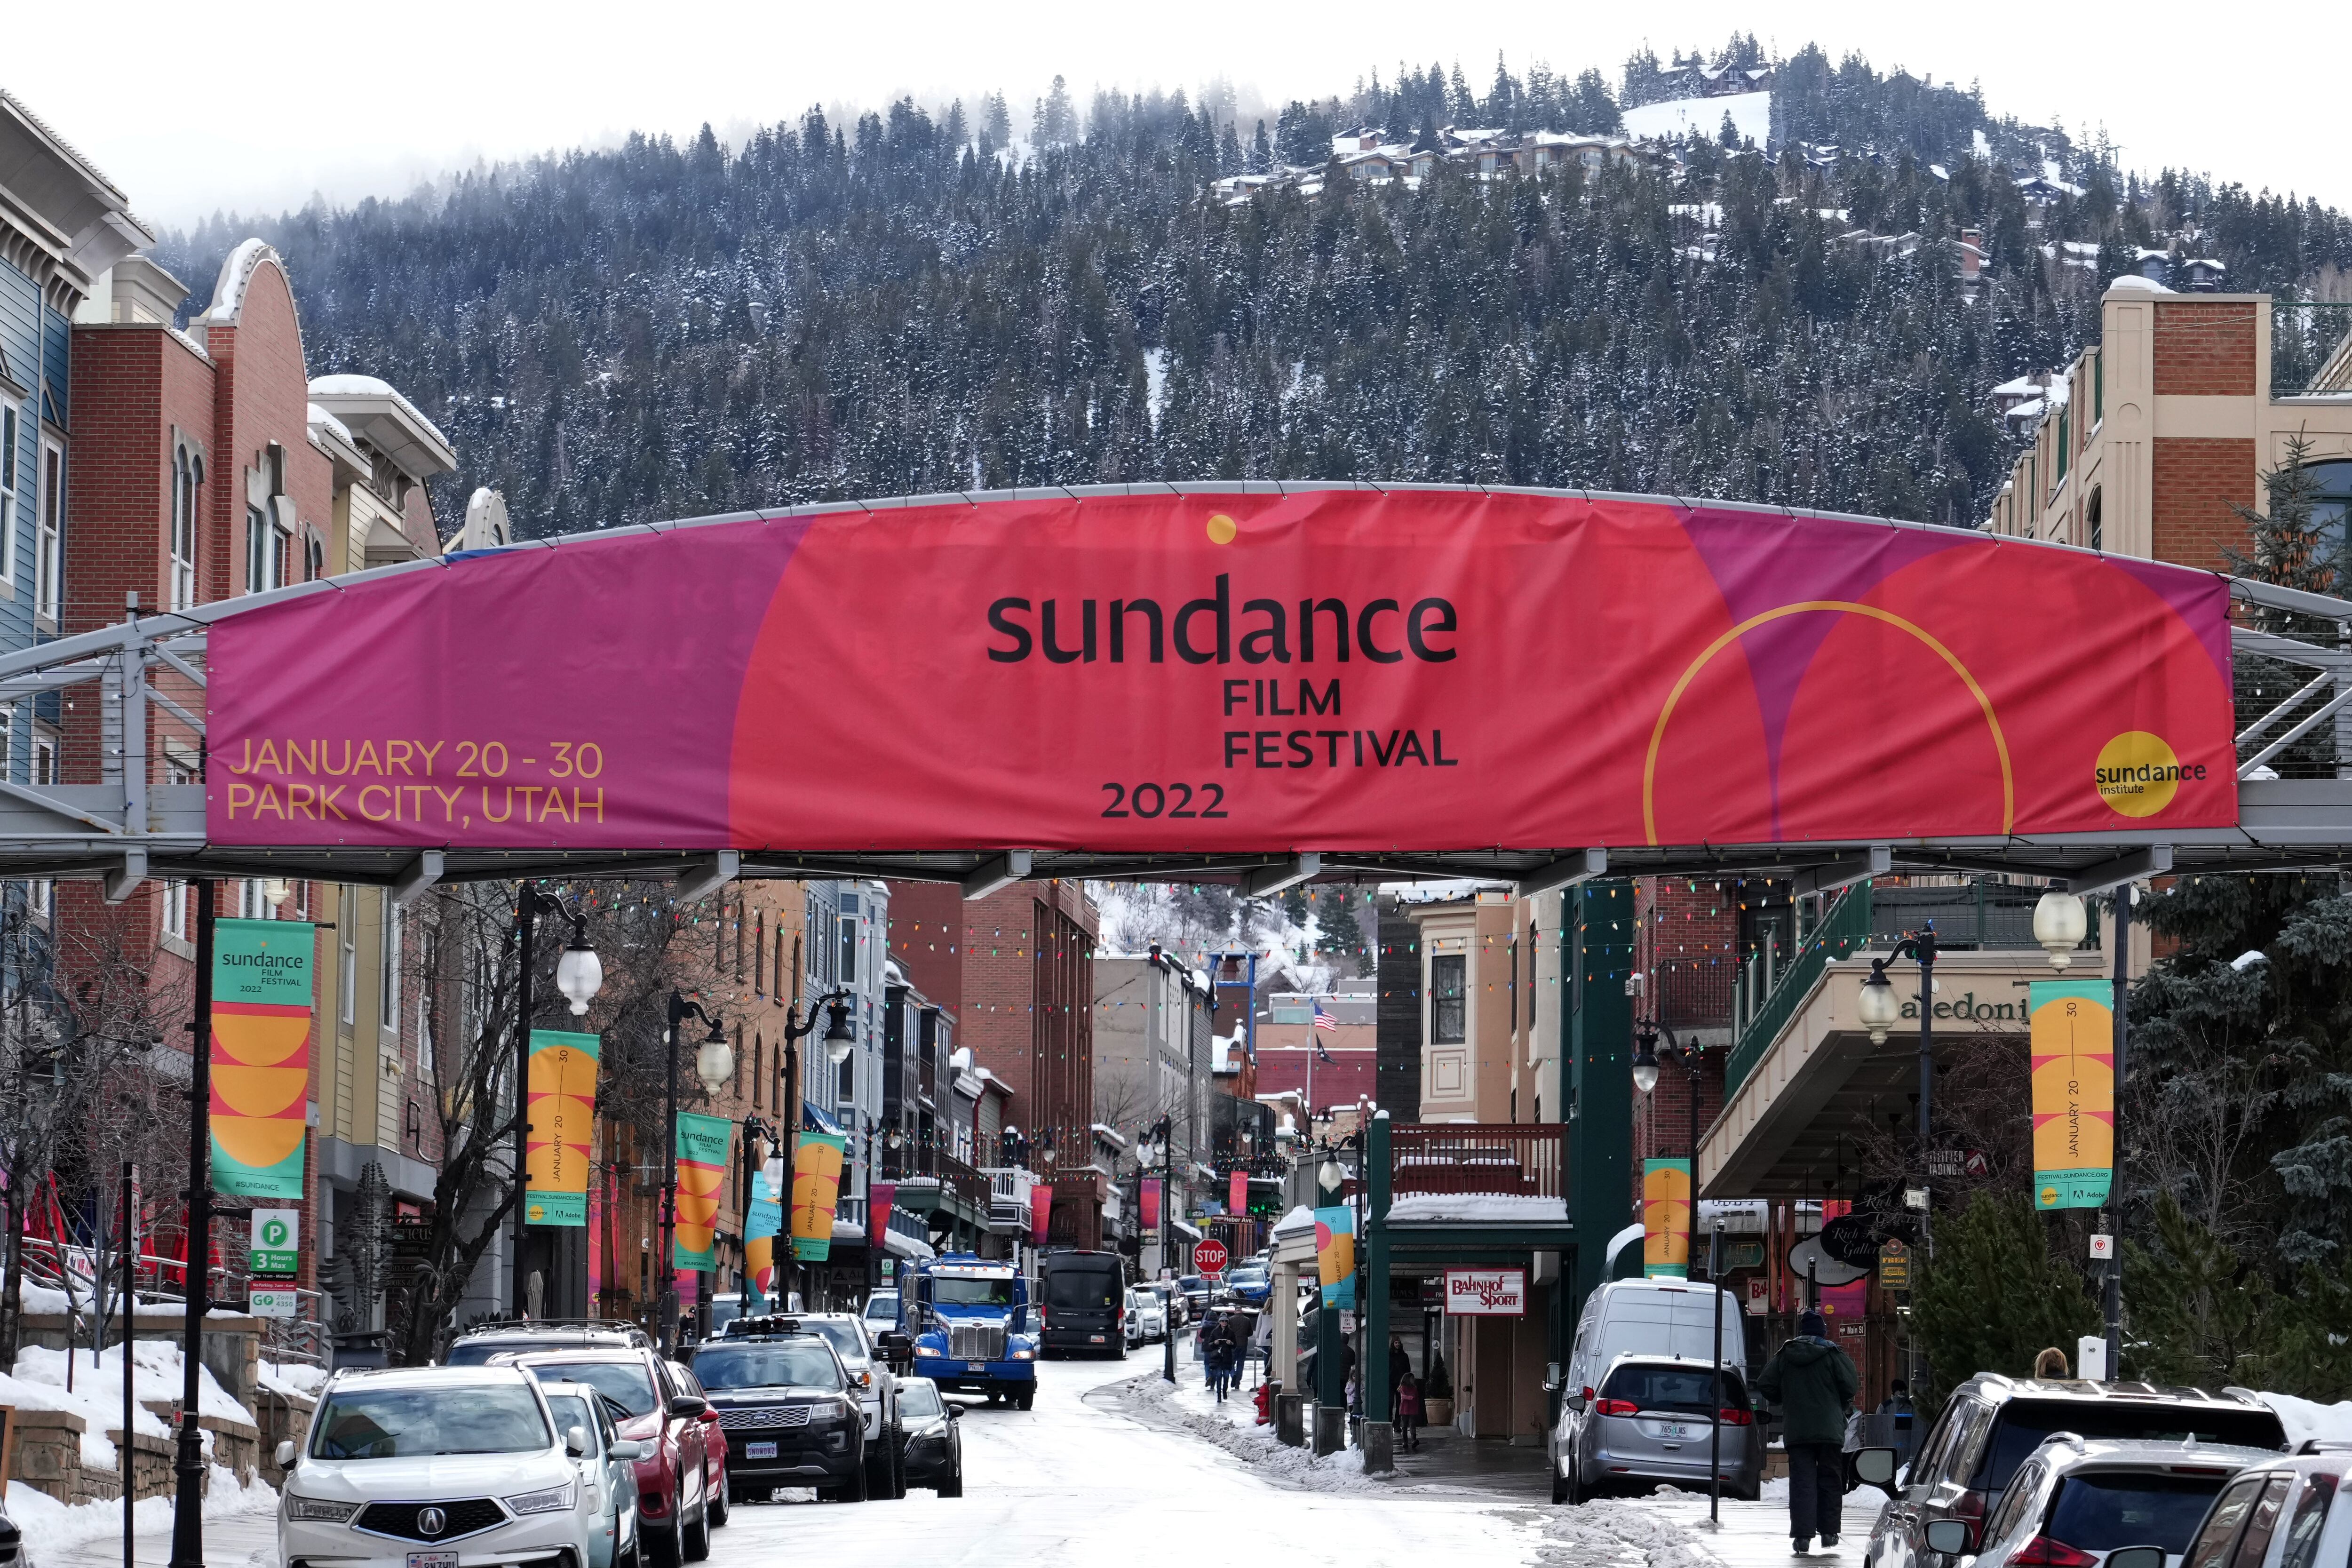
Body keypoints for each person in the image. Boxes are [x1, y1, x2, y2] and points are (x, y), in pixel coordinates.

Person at [1758, 1310, 1861, 1555]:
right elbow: (1851, 1385)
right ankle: (1829, 1533)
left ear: (1802, 1332)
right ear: (1823, 1331)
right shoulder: (1833, 1354)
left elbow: (1765, 1383)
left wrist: (1787, 1397)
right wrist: (1839, 1401)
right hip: (1829, 1430)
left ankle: (1803, 1537)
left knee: (1802, 1483)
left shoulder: (1785, 1355)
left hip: (1798, 1430)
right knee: (1830, 1480)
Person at [1396, 1371, 1423, 1451]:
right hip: (1405, 1409)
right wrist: (1411, 1398)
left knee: (1412, 1425)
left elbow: (1417, 1398)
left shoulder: (1414, 1388)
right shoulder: (1403, 1387)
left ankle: (1414, 1440)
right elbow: (1403, 1396)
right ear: (1408, 1379)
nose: (1413, 1380)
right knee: (1404, 1426)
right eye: (1412, 1378)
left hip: (1412, 1409)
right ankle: (1405, 1442)